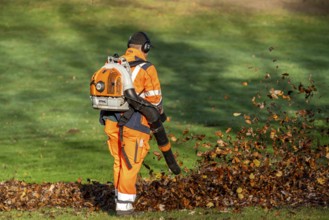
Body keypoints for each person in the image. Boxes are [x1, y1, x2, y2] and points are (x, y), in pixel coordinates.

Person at [99, 31, 177, 216]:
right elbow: (155, 100)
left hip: (111, 122)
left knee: (119, 161)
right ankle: (125, 208)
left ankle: (119, 201)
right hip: (134, 125)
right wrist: (158, 114)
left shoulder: (113, 65)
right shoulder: (146, 68)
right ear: (145, 48)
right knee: (130, 163)